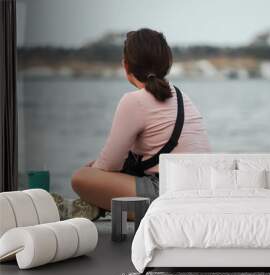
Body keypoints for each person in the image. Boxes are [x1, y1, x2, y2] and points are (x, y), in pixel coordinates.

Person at [69, 28, 211, 219]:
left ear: (125, 65)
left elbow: (109, 164)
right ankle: (99, 204)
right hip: (202, 190)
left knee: (82, 177)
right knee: (94, 170)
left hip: (168, 195)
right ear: (168, 63)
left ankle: (95, 206)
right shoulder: (181, 96)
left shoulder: (134, 101)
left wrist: (93, 177)